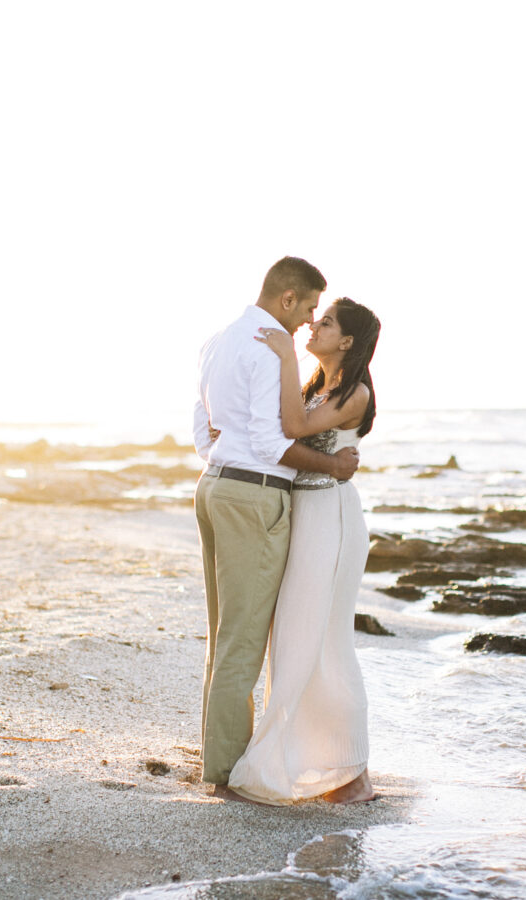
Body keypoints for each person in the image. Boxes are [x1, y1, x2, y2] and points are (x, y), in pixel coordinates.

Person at [192, 257, 360, 793]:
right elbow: (272, 441)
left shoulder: (220, 340)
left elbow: (202, 428)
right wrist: (331, 466)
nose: (310, 319)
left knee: (223, 636)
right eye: (309, 307)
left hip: (214, 486)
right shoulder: (270, 349)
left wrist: (226, 460)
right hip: (253, 496)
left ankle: (217, 757)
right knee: (242, 641)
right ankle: (226, 773)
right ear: (288, 299)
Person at [227, 296, 381, 805]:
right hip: (305, 517)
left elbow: (293, 429)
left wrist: (286, 355)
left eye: (327, 322)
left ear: (348, 341)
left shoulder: (356, 393)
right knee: (295, 638)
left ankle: (353, 772)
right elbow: (276, 432)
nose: (314, 325)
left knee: (327, 642)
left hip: (332, 520)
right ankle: (310, 760)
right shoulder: (317, 389)